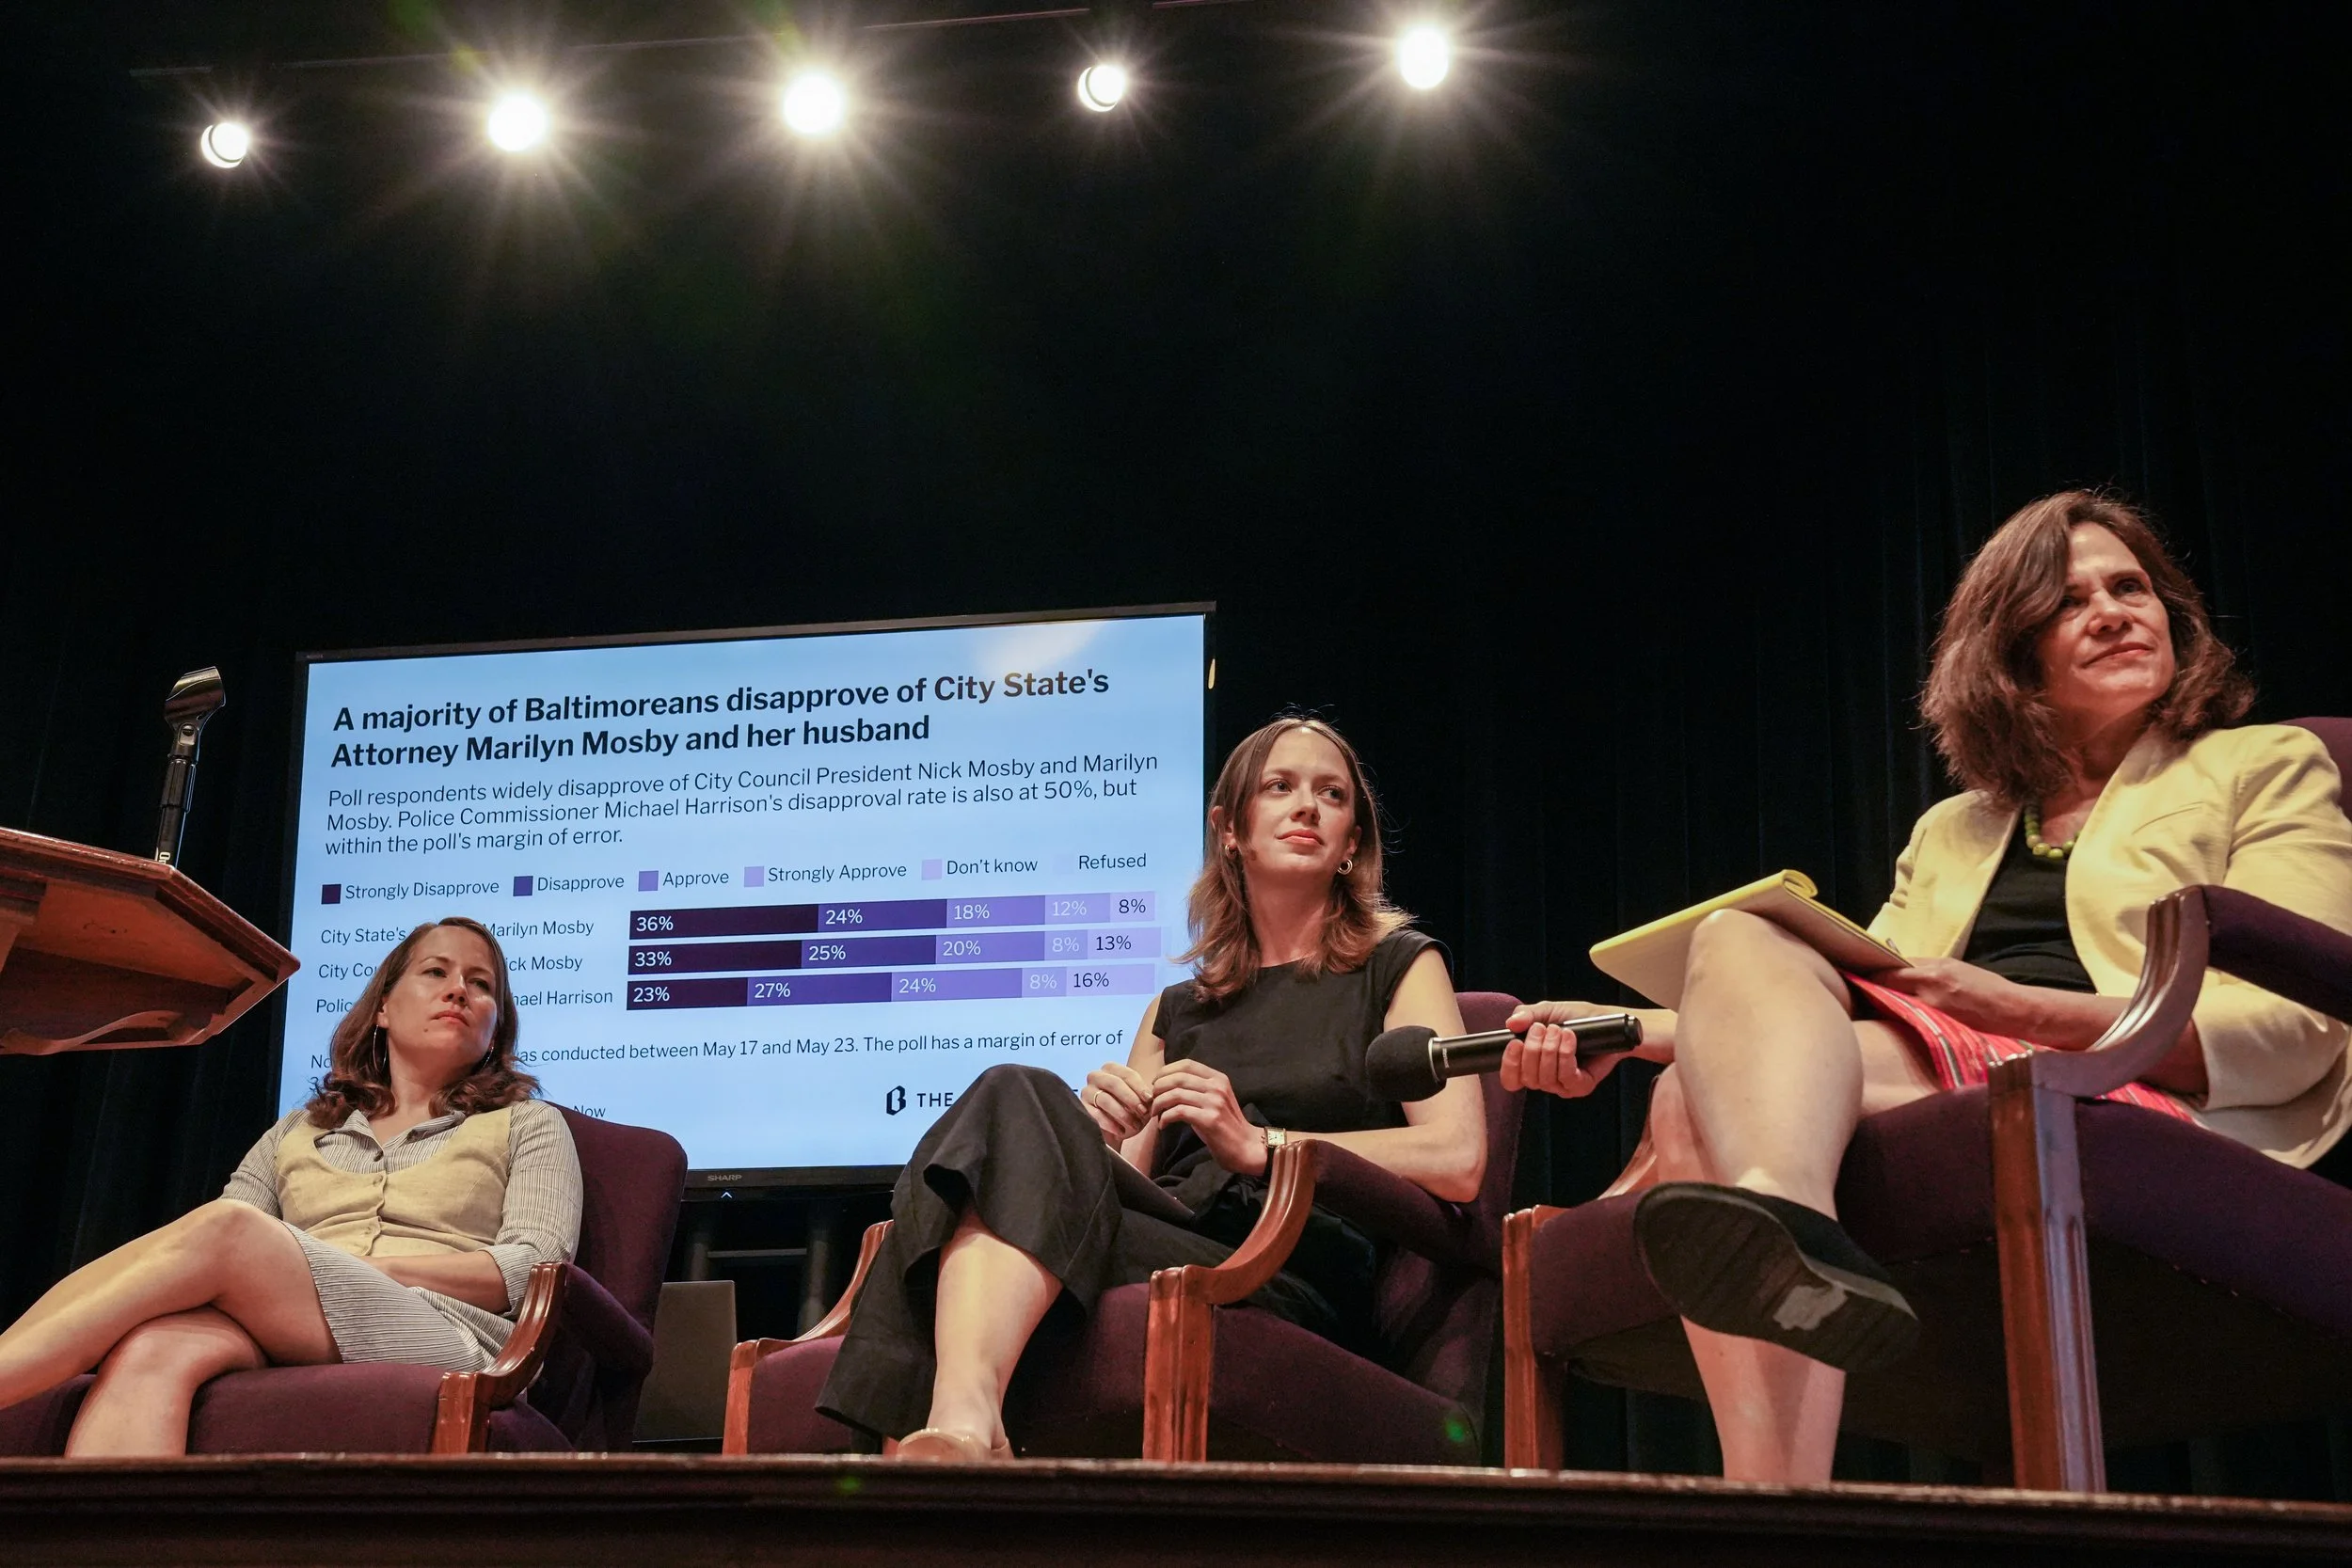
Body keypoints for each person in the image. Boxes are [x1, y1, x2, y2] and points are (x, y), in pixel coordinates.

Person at [1505, 490, 2352, 1483]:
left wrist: (2009, 1007)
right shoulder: (1953, 826)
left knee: (1700, 1097)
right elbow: (1850, 1010)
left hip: (2138, 1087)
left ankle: (1771, 1461)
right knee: (1731, 965)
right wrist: (1625, 1029)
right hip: (1962, 1063)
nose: (2115, 611)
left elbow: (2295, 1019)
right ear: (2010, 650)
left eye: (2132, 587)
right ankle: (1782, 1485)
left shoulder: (2262, 765)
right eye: (2070, 600)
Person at [817, 716, 1487, 1460]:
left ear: (1352, 842)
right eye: (1280, 787)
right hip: (1167, 1230)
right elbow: (1122, 1179)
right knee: (1014, 1091)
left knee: (976, 1186)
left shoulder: (1399, 965)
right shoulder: (1178, 1008)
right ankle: (966, 1418)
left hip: (1285, 1256)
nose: (1307, 806)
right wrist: (1097, 1133)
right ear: (1229, 830)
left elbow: (1458, 1156)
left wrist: (1261, 1144)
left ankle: (949, 1430)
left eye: (1331, 794)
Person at [0, 917, 580, 1456]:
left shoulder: (528, 1122)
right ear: (382, 1008)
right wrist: (298, 1274)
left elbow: (531, 1270)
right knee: (154, 1347)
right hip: (289, 1323)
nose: (459, 990)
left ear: (496, 1023)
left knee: (229, 1233)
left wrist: (332, 1269)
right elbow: (195, 1254)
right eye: (436, 972)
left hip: (448, 1336)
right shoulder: (298, 1131)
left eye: (481, 985)